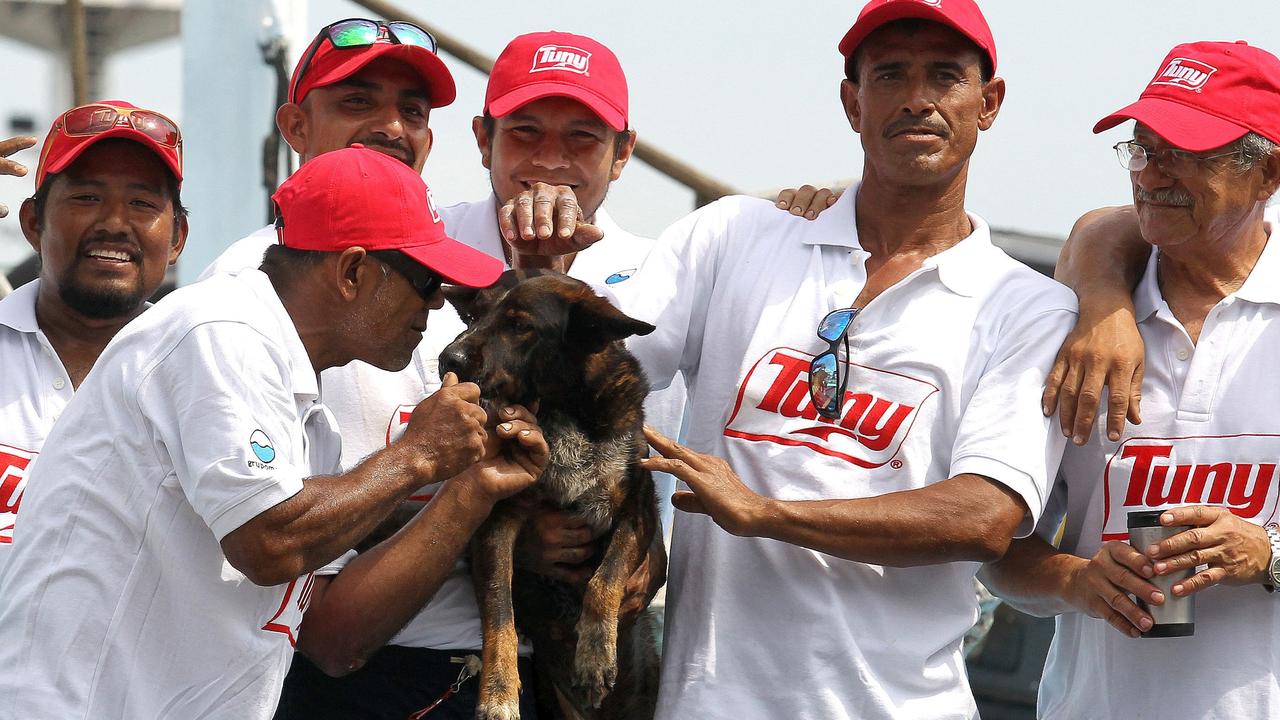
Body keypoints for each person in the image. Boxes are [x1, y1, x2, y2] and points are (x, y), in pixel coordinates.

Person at [503, 1, 1077, 717]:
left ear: (987, 102)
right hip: (711, 703)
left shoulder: (1029, 306)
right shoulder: (736, 235)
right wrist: (541, 285)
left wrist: (767, 513)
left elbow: (984, 516)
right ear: (851, 101)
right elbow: (583, 390)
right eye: (890, 73)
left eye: (946, 76)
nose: (918, 98)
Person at [203, 25, 675, 719]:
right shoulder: (253, 290)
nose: (389, 127)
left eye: (414, 111)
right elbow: (303, 580)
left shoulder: (648, 273)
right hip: (354, 672)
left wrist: (633, 546)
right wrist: (477, 503)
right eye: (358, 101)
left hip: (538, 675)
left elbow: (620, 479)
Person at [0, 146, 548, 720]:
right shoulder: (220, 331)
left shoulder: (309, 414)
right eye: (427, 279)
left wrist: (474, 487)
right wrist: (417, 456)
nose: (437, 304)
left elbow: (336, 642)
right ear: (353, 271)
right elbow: (268, 543)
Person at [983, 41, 1280, 718]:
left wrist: (1267, 551)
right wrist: (1073, 580)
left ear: (1269, 173)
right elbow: (998, 548)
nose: (1150, 174)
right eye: (1143, 148)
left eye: (1187, 152)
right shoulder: (1067, 327)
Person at [0, 101, 187, 570]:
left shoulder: (204, 376)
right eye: (86, 197)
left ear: (178, 238)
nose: (114, 223)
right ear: (33, 222)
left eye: (142, 203)